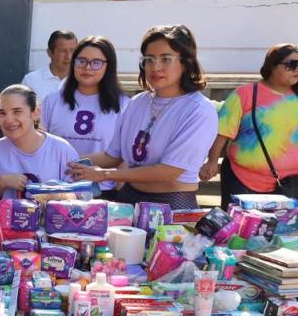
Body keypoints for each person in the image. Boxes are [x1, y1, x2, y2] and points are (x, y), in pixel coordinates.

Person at [68, 25, 218, 209]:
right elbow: (112, 156)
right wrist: (65, 159)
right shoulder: (137, 103)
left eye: (166, 59)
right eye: (149, 59)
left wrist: (105, 175)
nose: (156, 67)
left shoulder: (199, 109)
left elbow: (168, 172)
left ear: (186, 62)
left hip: (172, 204)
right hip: (128, 198)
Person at [201, 43, 298, 206]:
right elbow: (223, 131)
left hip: (290, 186)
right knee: (238, 223)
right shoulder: (245, 94)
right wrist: (212, 162)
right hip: (241, 181)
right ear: (272, 66)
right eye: (292, 65)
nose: (297, 69)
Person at [41, 36, 128, 199]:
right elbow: (41, 144)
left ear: (108, 66)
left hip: (102, 191)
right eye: (81, 61)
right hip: (58, 189)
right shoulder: (53, 100)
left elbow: (125, 153)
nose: (87, 67)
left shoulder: (124, 104)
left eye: (96, 62)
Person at [0, 85, 78, 210]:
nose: (9, 120)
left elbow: (79, 200)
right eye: (2, 113)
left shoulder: (62, 150)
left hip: (51, 222)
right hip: (3, 222)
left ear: (35, 112)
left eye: (17, 111)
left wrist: (55, 195)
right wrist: (1, 182)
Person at [21, 30, 76, 102]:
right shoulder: (31, 81)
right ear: (49, 53)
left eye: (73, 51)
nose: (69, 56)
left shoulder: (83, 80)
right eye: (63, 51)